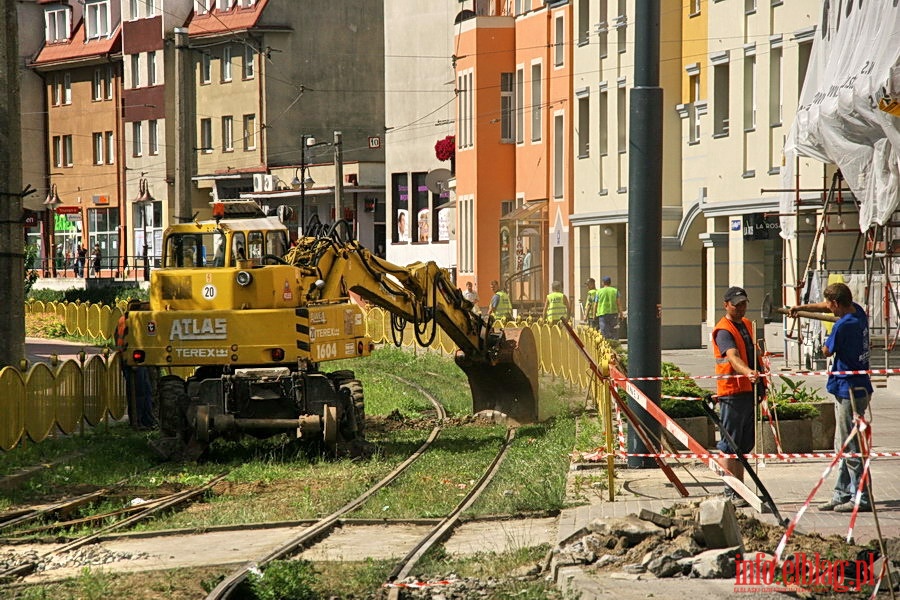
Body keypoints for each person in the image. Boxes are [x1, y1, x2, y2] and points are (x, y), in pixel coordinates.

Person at [790, 282, 873, 512]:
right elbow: (825, 307)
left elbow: (826, 351)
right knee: (842, 443)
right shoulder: (858, 311)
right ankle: (842, 492)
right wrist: (801, 307)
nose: (828, 308)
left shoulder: (843, 326)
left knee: (850, 445)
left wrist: (823, 340)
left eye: (830, 305)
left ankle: (862, 496)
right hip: (856, 388)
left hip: (850, 391)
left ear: (836, 303)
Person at [711, 286, 765, 508]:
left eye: (744, 304)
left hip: (748, 391)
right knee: (729, 445)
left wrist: (760, 383)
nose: (741, 308)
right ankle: (730, 491)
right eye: (736, 305)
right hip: (732, 392)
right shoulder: (724, 330)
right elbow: (732, 357)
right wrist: (748, 373)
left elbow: (753, 354)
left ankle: (740, 489)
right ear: (726, 305)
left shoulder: (746, 325)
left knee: (742, 445)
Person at [116, 312, 155, 429]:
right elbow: (123, 342)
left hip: (135, 360)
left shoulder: (128, 319)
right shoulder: (130, 320)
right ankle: (138, 421)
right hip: (133, 362)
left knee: (145, 391)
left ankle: (145, 420)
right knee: (140, 392)